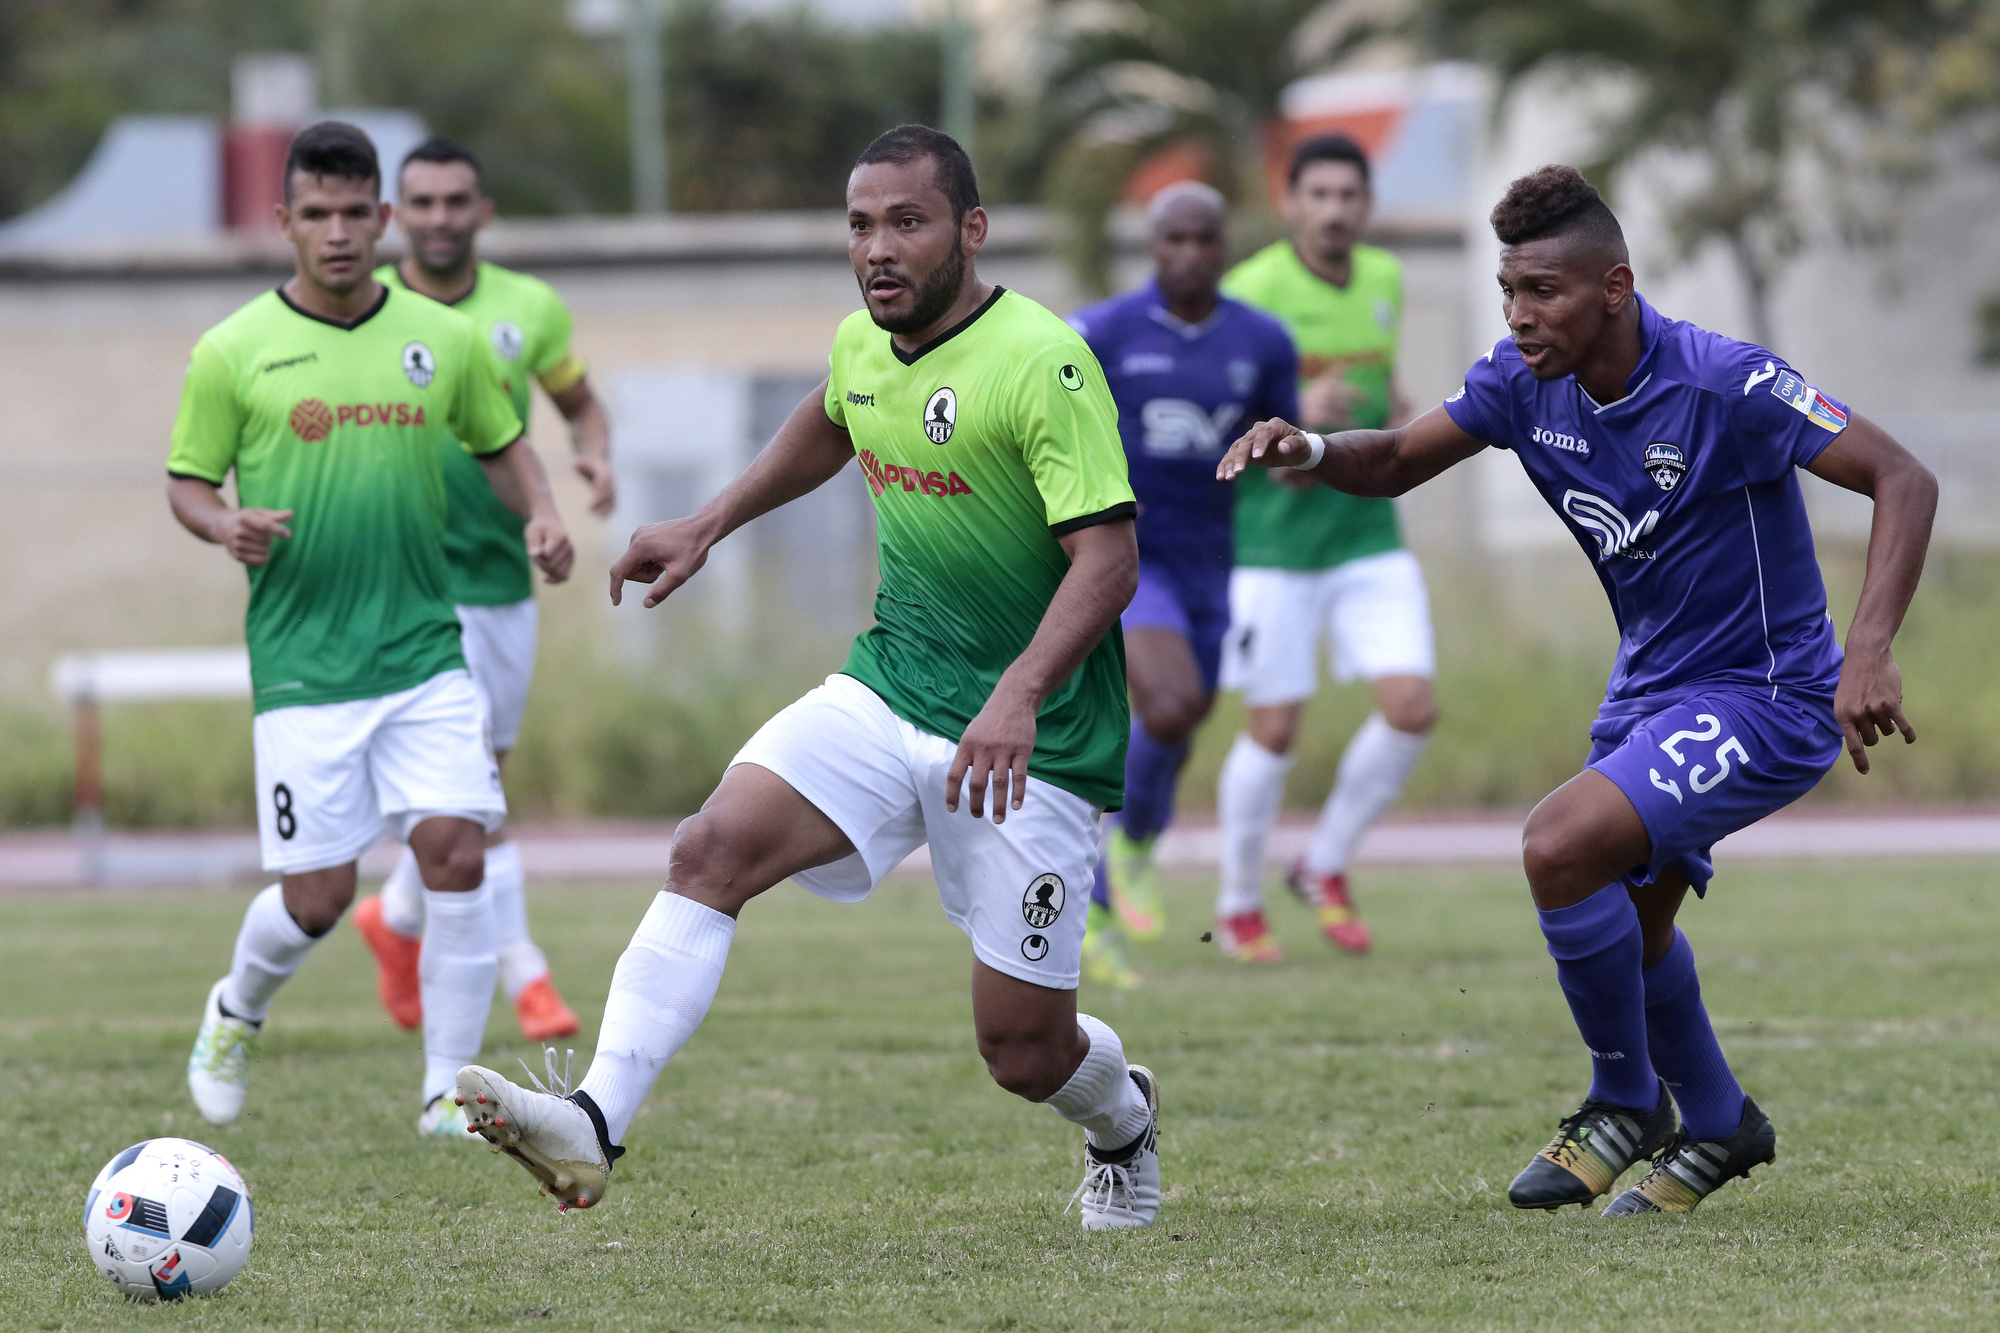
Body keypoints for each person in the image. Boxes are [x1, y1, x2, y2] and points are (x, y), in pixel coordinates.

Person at [447, 126, 1164, 1230]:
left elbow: (1108, 559)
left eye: (906, 223)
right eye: (860, 225)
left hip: (1036, 736)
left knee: (1022, 1051)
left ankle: (1119, 1118)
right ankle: (594, 1120)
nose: (877, 248)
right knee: (708, 847)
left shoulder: (1042, 360)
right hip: (888, 689)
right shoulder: (860, 345)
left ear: (969, 232)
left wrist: (1016, 692)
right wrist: (708, 521)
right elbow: (833, 418)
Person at [1219, 165, 1935, 1215]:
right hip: (1648, 688)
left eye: (1541, 291)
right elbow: (1394, 464)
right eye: (1507, 289)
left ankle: (1621, 1100)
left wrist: (1866, 645)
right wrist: (1312, 446)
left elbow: (1901, 478)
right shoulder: (1520, 384)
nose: (1517, 315)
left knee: (1558, 845)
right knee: (1633, 928)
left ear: (1614, 286)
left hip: (1767, 692)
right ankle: (1721, 1121)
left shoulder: (1721, 382)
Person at [169, 122, 575, 1138]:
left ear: (382, 219)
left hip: (423, 651)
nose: (340, 233)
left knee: (456, 847)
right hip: (306, 668)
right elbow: (184, 481)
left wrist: (541, 510)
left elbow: (503, 440)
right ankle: (236, 1009)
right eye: (318, 214)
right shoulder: (232, 351)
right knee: (314, 900)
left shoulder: (444, 340)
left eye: (358, 213)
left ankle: (446, 1089)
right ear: (285, 222)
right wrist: (224, 521)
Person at [350, 137, 615, 1045]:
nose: (437, 218)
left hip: (503, 580)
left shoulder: (526, 309)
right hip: (404, 586)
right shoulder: (363, 312)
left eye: (454, 201)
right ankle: (529, 977)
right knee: (469, 796)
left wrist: (594, 454)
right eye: (418, 202)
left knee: (481, 785)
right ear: (395, 215)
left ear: (483, 211)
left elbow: (578, 399)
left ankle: (394, 915)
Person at [1201, 133, 1441, 959]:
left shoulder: (1385, 279)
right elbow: (1213, 416)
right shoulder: (1250, 292)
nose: (1336, 211)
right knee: (1273, 728)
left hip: (1367, 530)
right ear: (1291, 202)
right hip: (1274, 545)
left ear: (1366, 205)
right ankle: (1237, 905)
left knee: (1413, 707)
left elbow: (1383, 386)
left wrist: (1393, 402)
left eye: (1350, 196)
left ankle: (1325, 862)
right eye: (1321, 195)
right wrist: (1297, 403)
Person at [1066, 182, 1300, 974]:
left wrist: (1305, 447)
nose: (1190, 253)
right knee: (1164, 702)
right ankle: (1116, 856)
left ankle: (1125, 849)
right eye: (1175, 239)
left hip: (1219, 558)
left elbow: (1284, 450)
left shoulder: (1262, 340)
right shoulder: (1103, 331)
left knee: (1189, 708)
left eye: (1205, 239)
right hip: (1129, 550)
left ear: (1224, 248)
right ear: (1152, 246)